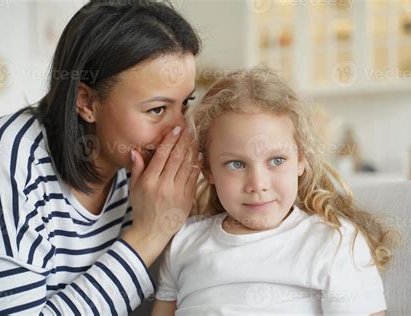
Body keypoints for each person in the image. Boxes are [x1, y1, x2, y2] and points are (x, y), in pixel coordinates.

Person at [0, 0, 202, 314]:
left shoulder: (138, 168)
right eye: (156, 110)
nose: (179, 131)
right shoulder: (1, 159)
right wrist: (148, 234)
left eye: (184, 104)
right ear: (85, 101)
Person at [151, 67, 397, 315]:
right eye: (236, 164)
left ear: (301, 159)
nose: (258, 184)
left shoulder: (333, 241)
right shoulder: (184, 242)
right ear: (208, 170)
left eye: (277, 160)